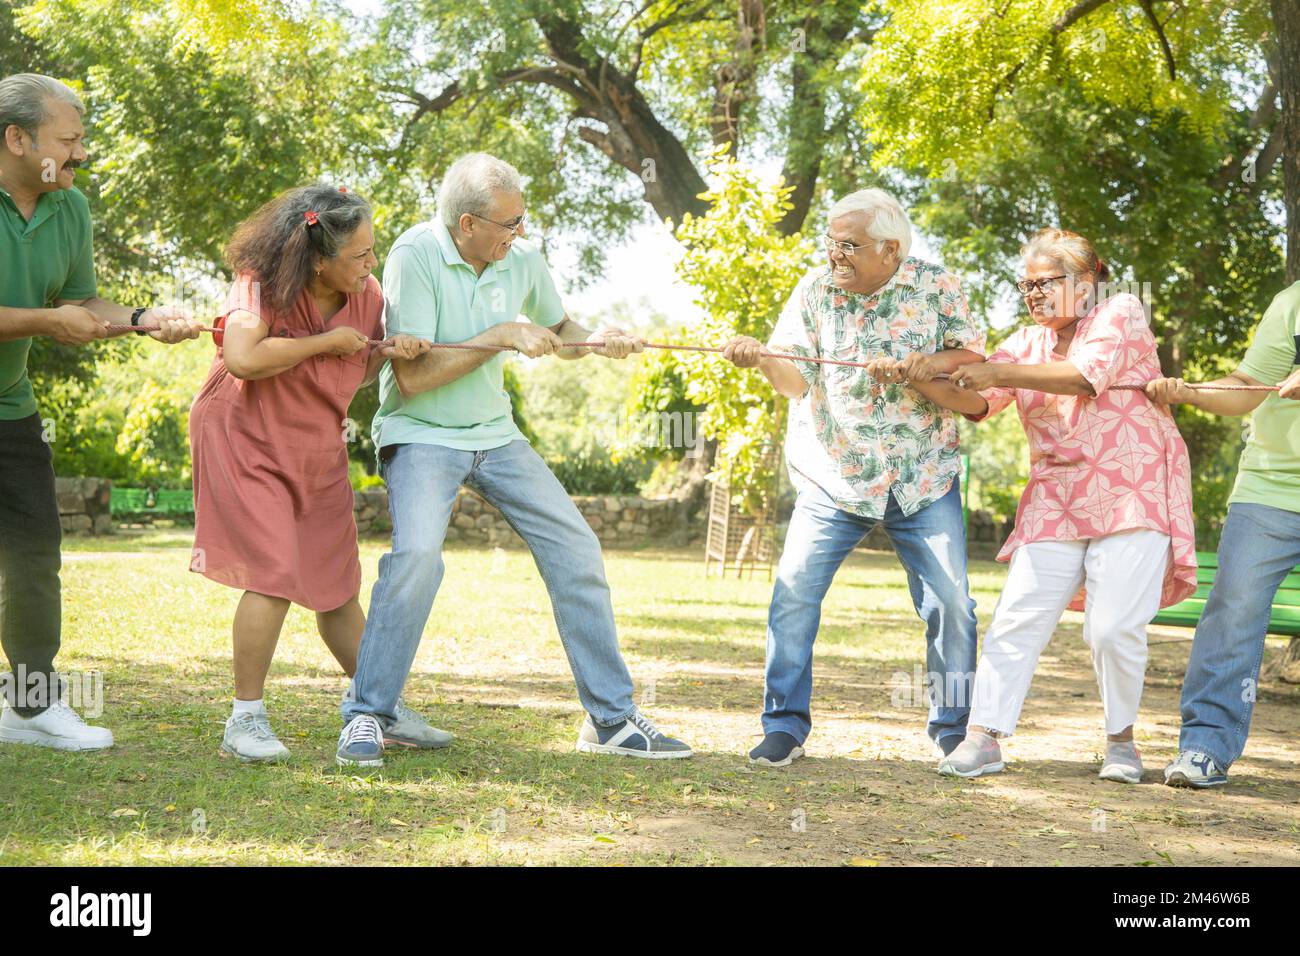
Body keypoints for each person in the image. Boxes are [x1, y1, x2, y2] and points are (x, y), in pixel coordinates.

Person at [336, 152, 691, 766]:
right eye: (509, 223)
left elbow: (562, 329)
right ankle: (369, 714)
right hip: (421, 432)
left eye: (522, 220)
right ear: (467, 225)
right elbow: (415, 379)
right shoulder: (414, 256)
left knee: (577, 546)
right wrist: (500, 334)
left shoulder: (521, 258)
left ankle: (611, 720)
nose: (520, 233)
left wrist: (600, 341)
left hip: (496, 435)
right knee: (418, 558)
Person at [721, 188, 988, 768]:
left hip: (923, 476)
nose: (835, 256)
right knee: (792, 595)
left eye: (849, 246)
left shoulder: (937, 286)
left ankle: (952, 729)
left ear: (890, 250)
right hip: (833, 474)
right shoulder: (814, 291)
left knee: (951, 603)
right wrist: (762, 356)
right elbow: (795, 382)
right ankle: (783, 725)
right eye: (831, 244)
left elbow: (975, 373)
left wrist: (928, 368)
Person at [190, 184, 442, 761]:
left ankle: (379, 704)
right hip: (244, 434)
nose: (370, 263)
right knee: (273, 572)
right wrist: (324, 341)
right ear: (317, 259)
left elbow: (361, 354)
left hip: (315, 442)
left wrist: (391, 348)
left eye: (371, 251)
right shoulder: (259, 284)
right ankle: (244, 721)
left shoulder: (369, 294)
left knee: (336, 587)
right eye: (358, 254)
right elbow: (244, 358)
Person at [939, 228, 1197, 783]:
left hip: (1133, 489)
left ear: (1085, 284)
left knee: (1110, 629)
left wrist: (994, 370)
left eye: (1044, 283)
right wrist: (925, 380)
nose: (1032, 294)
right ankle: (983, 737)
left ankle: (1122, 744)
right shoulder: (1024, 343)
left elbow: (1085, 377)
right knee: (1017, 617)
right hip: (1056, 496)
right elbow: (980, 402)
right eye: (1024, 285)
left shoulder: (1120, 312)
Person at [0, 73, 200, 751]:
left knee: (34, 552)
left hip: (11, 409)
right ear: (17, 139)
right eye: (69, 139)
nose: (81, 152)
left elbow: (84, 307)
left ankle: (29, 709)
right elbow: (55, 318)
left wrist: (145, 319)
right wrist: (45, 322)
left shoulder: (70, 207)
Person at [1146, 282, 1300, 788]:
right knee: (1234, 607)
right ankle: (1204, 746)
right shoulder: (1293, 302)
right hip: (1272, 487)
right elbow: (1247, 385)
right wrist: (1190, 392)